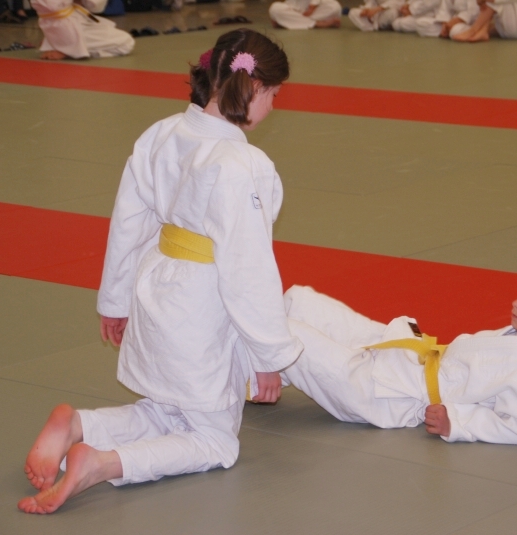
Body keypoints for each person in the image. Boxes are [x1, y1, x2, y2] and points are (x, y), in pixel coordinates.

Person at [18, 29, 303, 514]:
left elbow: (129, 223)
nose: (274, 106)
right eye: (274, 94)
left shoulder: (163, 132)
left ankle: (79, 425)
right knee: (215, 439)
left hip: (157, 289)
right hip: (203, 307)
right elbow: (247, 269)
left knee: (166, 408)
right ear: (254, 87)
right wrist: (267, 355)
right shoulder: (243, 163)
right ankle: (102, 462)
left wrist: (115, 301)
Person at [280, 259, 517, 445]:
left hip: (388, 396)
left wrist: (459, 422)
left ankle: (260, 374)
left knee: (283, 331)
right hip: (408, 358)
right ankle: (268, 370)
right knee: (298, 299)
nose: (516, 302)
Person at [32, 0, 134, 60]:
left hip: (59, 23)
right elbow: (94, 6)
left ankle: (58, 45)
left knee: (109, 29)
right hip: (67, 26)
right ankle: (68, 50)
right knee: (126, 42)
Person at [452, 0, 517, 41]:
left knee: (498, 1)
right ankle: (484, 30)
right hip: (512, 24)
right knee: (455, 30)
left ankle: (474, 30)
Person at [268, 0, 342, 29]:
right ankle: (316, 24)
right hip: (293, 9)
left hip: (315, 10)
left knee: (335, 7)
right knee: (275, 9)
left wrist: (313, 6)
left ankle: (288, 22)